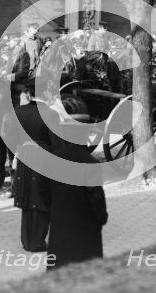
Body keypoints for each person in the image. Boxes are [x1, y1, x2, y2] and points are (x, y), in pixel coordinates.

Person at [47, 99, 107, 269]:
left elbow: (45, 194)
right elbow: (96, 200)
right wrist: (101, 219)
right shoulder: (90, 163)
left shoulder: (52, 160)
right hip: (85, 232)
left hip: (60, 229)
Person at [6, 79, 59, 252]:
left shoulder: (18, 112)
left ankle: (27, 241)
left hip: (25, 157)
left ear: (28, 94)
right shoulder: (51, 114)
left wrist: (19, 151)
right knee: (42, 197)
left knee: (27, 197)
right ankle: (38, 241)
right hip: (45, 158)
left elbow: (11, 139)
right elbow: (57, 144)